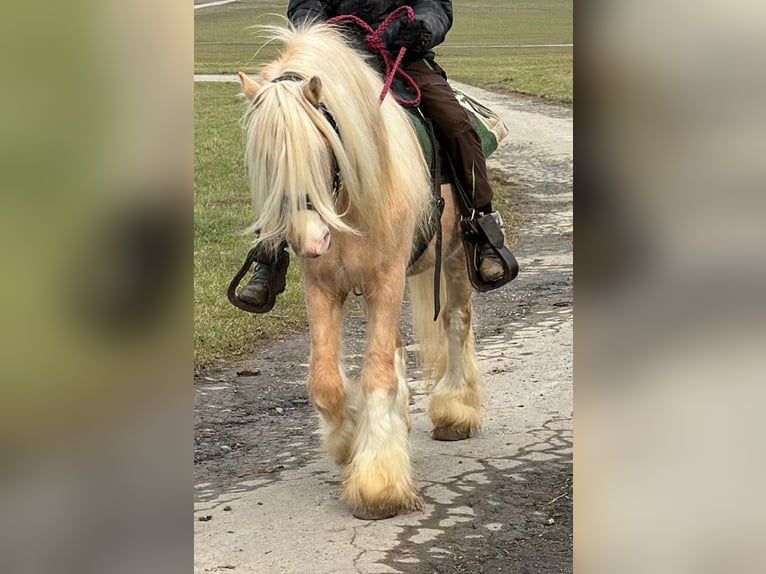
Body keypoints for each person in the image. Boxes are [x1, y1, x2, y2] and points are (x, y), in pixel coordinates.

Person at [237, 0, 508, 311]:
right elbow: (305, 6)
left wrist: (420, 29)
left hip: (404, 60)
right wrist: (332, 37)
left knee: (455, 123)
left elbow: (434, 5)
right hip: (335, 66)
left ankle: (481, 225)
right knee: (282, 124)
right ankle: (269, 252)